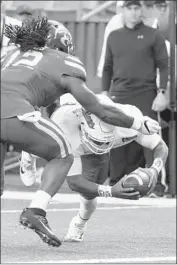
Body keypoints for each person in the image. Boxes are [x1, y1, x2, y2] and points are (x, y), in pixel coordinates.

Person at [1, 18, 160, 248]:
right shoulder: (62, 61)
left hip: (12, 111)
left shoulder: (10, 55)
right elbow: (99, 109)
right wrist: (137, 122)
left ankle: (29, 157)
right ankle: (36, 210)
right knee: (62, 153)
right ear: (62, 46)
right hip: (13, 111)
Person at [19, 93, 168, 242]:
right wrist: (111, 192)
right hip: (69, 130)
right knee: (45, 147)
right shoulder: (66, 126)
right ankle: (28, 153)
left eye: (105, 142)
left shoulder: (130, 121)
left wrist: (155, 169)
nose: (101, 146)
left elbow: (160, 146)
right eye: (98, 141)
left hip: (89, 136)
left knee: (90, 194)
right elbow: (74, 182)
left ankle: (79, 223)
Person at [101, 0, 169, 190]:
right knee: (116, 139)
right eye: (129, 8)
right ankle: (117, 182)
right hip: (119, 95)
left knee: (151, 139)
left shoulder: (154, 35)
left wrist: (161, 93)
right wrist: (105, 93)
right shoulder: (114, 36)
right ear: (123, 11)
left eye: (136, 8)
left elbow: (164, 66)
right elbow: (107, 67)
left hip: (146, 93)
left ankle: (157, 186)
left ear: (141, 10)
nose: (133, 12)